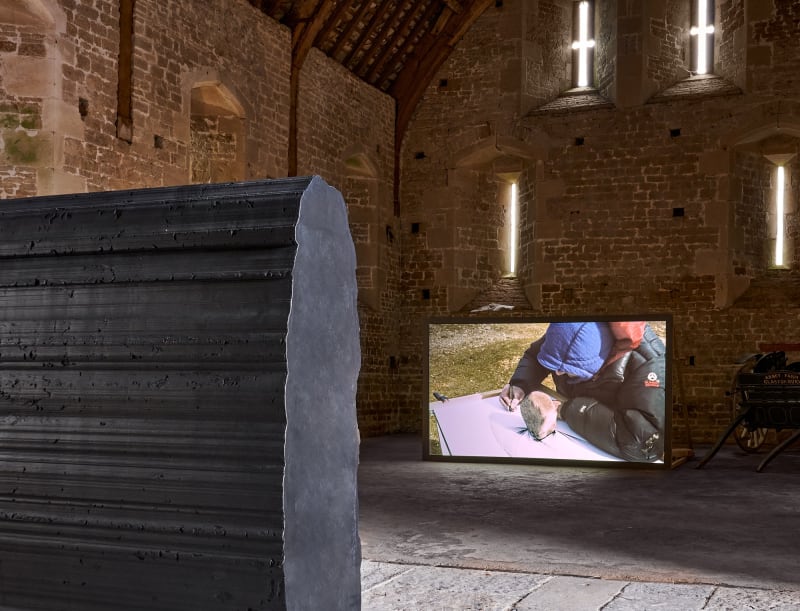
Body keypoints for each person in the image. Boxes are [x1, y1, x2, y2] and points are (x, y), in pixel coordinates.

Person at [499, 321, 666, 462]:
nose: (556, 373)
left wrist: (565, 409)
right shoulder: (569, 329)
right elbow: (537, 355)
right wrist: (520, 383)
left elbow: (641, 442)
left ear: (599, 363)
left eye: (567, 369)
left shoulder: (651, 366)